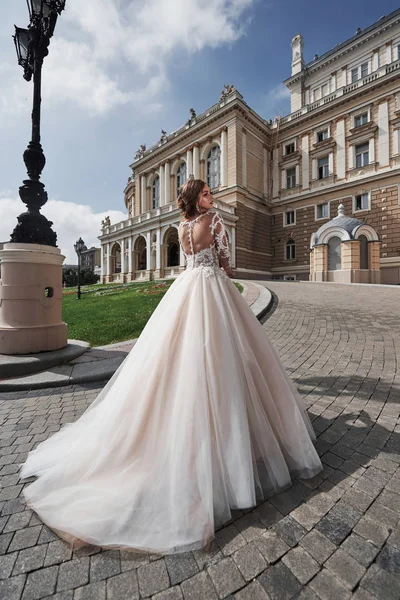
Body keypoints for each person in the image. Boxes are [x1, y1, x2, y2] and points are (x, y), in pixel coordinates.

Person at [21, 179, 322, 555]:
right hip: (212, 287)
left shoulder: (181, 227)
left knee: (176, 354)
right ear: (199, 199)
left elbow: (188, 259)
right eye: (208, 192)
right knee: (224, 354)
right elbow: (226, 261)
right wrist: (225, 269)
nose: (213, 196)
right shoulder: (213, 221)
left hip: (186, 287)